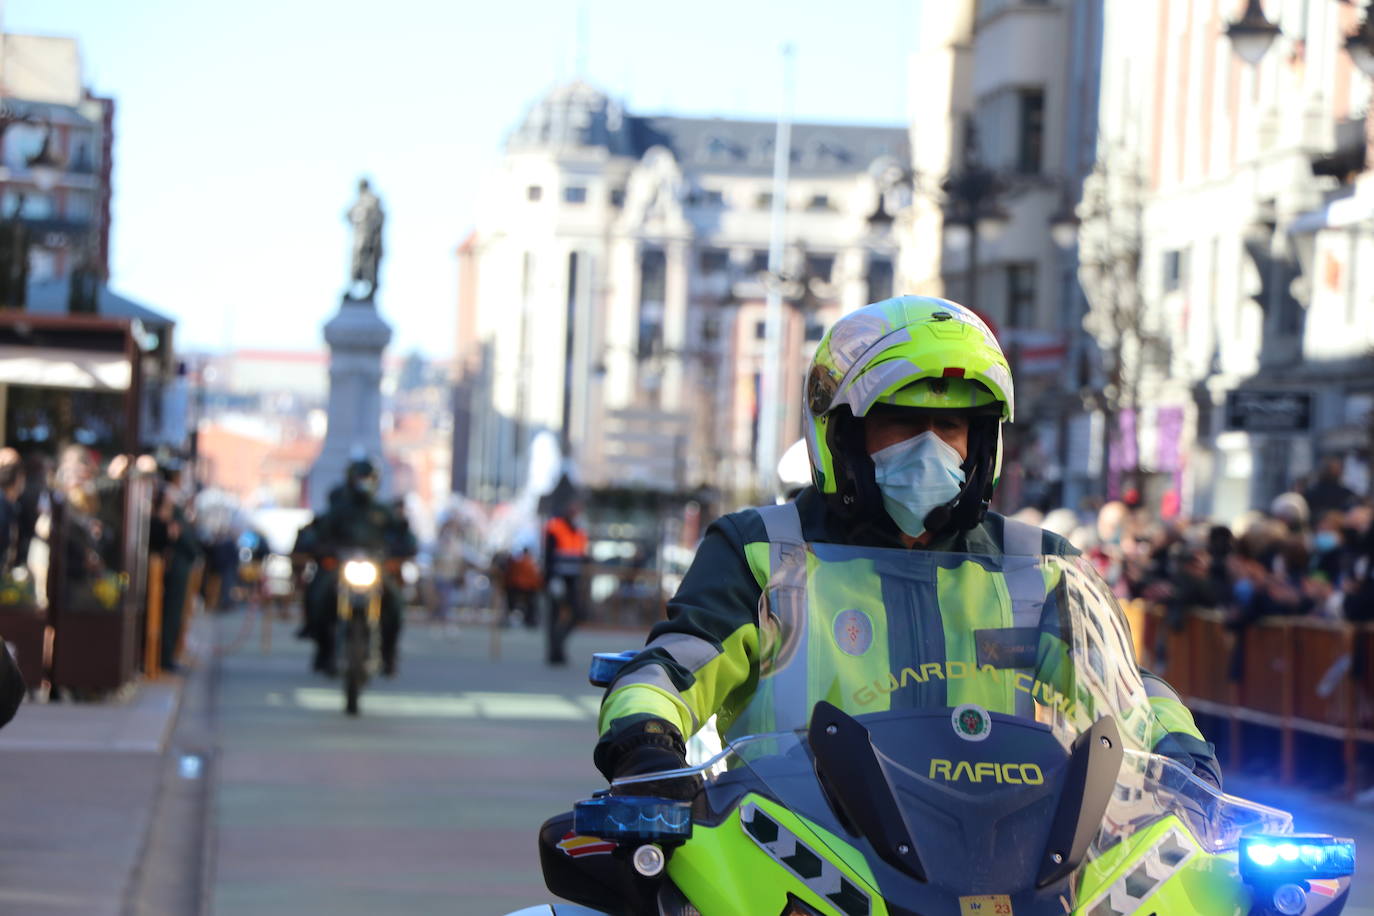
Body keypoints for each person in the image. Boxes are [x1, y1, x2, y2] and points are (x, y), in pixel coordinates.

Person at [592, 296, 1221, 794]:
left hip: (1006, 858)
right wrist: (644, 739)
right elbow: (675, 667)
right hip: (800, 857)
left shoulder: (1042, 566)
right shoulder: (762, 551)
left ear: (981, 443)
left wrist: (1184, 757)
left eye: (949, 425)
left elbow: (1123, 692)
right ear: (840, 434)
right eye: (900, 420)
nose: (930, 445)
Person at [305, 458, 416, 676]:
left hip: (374, 567)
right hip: (341, 566)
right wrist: (318, 546)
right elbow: (318, 532)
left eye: (367, 479)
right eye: (360, 479)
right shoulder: (339, 510)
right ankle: (323, 650)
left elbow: (403, 535)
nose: (363, 484)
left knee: (395, 603)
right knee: (318, 595)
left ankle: (388, 653)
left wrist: (404, 548)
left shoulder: (383, 511)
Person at [543, 501, 588, 665]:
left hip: (573, 580)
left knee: (577, 613)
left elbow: (581, 555)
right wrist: (551, 578)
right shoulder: (555, 527)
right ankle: (554, 652)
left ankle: (559, 645)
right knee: (554, 616)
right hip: (558, 579)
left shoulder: (579, 531)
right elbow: (548, 556)